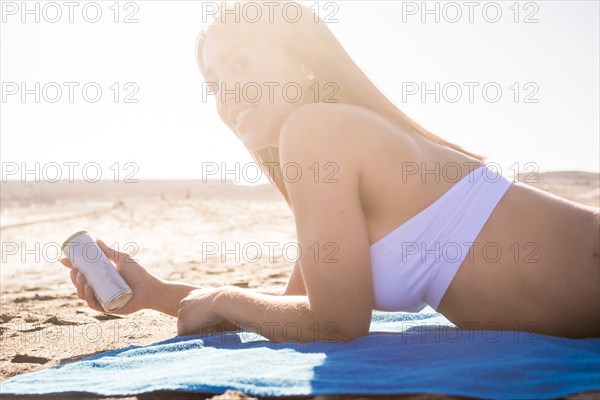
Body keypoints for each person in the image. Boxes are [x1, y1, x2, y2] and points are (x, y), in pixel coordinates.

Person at [61, 1, 599, 342]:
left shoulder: (316, 131)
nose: (229, 93)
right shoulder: (326, 148)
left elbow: (336, 324)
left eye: (243, 64)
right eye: (215, 83)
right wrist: (152, 292)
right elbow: (295, 309)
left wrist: (225, 297)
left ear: (302, 63)